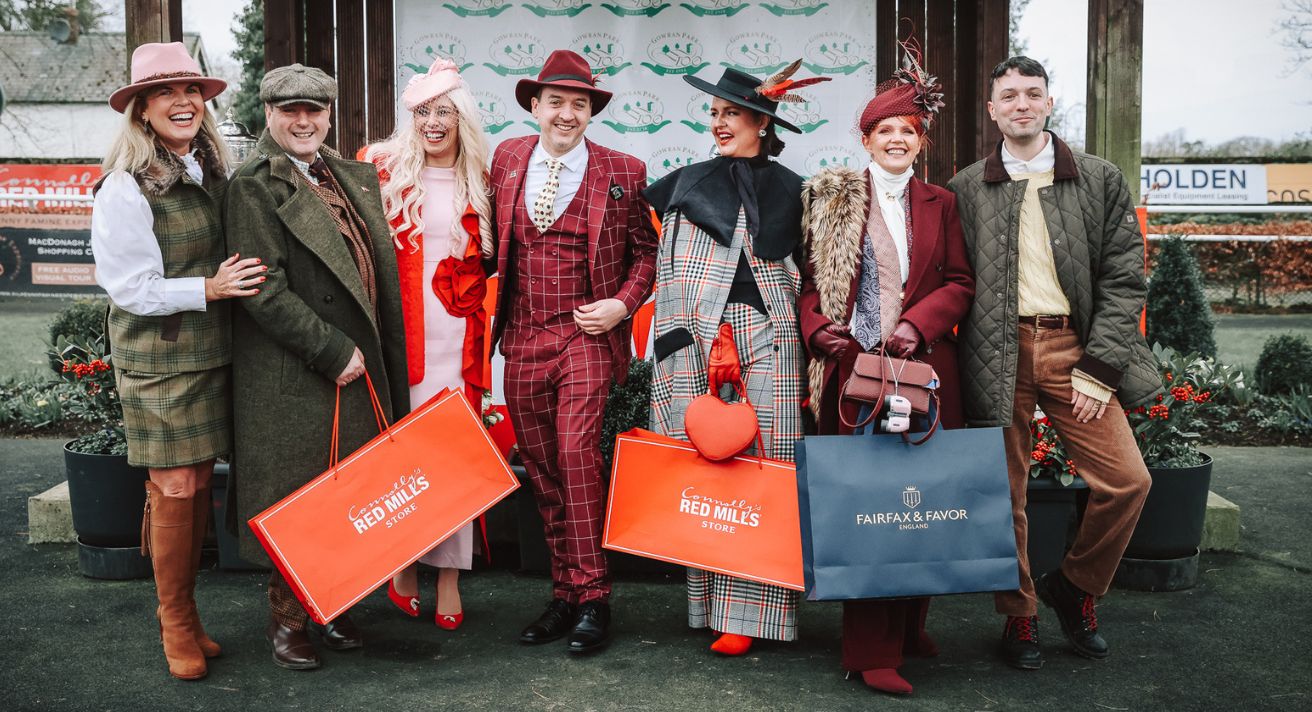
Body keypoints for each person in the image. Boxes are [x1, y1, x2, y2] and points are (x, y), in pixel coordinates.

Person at [947, 56, 1159, 670]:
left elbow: (1124, 281)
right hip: (995, 350)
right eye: (1008, 95)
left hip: (1075, 350)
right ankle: (1019, 616)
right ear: (991, 110)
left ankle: (1075, 587)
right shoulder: (965, 187)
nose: (1020, 104)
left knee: (1127, 482)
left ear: (1047, 104)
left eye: (1032, 94)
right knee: (1004, 495)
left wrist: (1099, 367)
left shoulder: (1099, 178)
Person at [798, 48, 974, 694]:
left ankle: (909, 627)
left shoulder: (941, 204)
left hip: (926, 372)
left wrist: (917, 324)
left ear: (919, 143)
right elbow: (811, 287)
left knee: (922, 502)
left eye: (908, 130)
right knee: (869, 508)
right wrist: (819, 330)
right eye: (885, 130)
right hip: (855, 376)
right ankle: (870, 650)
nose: (897, 139)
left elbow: (959, 281)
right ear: (865, 138)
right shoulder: (835, 199)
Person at [225, 64, 409, 670]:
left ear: (330, 115)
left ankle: (332, 604)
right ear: (270, 116)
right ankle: (287, 620)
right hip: (297, 365)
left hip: (359, 355)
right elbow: (262, 287)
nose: (303, 122)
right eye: (289, 112)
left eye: (314, 111)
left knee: (345, 488)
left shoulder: (347, 173)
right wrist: (330, 349)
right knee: (296, 494)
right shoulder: (255, 183)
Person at [92, 41, 261, 682]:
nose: (183, 102)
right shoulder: (123, 187)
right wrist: (209, 289)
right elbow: (130, 288)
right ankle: (176, 620)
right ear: (140, 110)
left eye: (191, 91)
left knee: (193, 486)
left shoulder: (210, 173)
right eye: (165, 92)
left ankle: (188, 613)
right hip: (159, 359)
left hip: (211, 351)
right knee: (175, 486)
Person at [644, 63, 823, 657]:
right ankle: (711, 609)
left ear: (762, 122)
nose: (719, 123)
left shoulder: (799, 191)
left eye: (732, 114)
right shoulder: (687, 183)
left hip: (773, 340)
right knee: (708, 472)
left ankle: (754, 614)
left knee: (764, 473)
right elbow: (671, 277)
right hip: (700, 340)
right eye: (715, 113)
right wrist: (685, 342)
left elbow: (812, 281)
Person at [489, 49, 658, 655]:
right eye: (556, 102)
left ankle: (594, 599)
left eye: (578, 105)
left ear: (592, 112)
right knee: (542, 469)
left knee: (577, 458)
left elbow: (647, 254)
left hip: (585, 337)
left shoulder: (624, 170)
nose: (566, 114)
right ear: (534, 106)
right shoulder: (506, 160)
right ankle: (564, 595)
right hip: (523, 338)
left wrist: (622, 304)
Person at [359, 58, 492, 630]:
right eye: (423, 112)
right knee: (405, 457)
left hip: (459, 339)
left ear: (463, 120)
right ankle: (404, 563)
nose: (434, 123)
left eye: (445, 112)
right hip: (404, 336)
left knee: (452, 454)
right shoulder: (381, 172)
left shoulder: (484, 182)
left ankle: (449, 577)